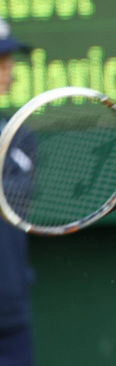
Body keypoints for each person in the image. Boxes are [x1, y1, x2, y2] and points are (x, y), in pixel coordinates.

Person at [0, 18, 35, 366]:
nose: (7, 70)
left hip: (10, 313)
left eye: (9, 60)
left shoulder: (19, 138)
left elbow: (20, 199)